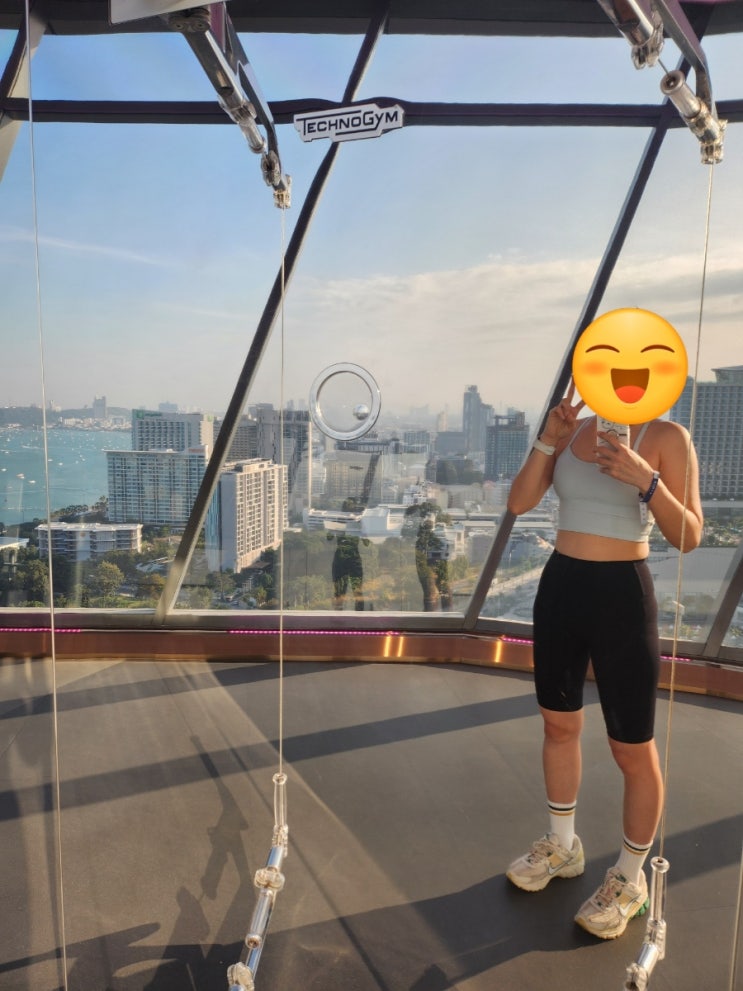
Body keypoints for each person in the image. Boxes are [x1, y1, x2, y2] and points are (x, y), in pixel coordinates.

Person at [505, 380, 703, 940]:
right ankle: (563, 845)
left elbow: (689, 535)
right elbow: (518, 503)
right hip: (562, 585)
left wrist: (647, 481)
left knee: (632, 747)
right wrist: (549, 440)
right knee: (558, 723)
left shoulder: (668, 435)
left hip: (622, 593)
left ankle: (630, 878)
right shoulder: (573, 428)